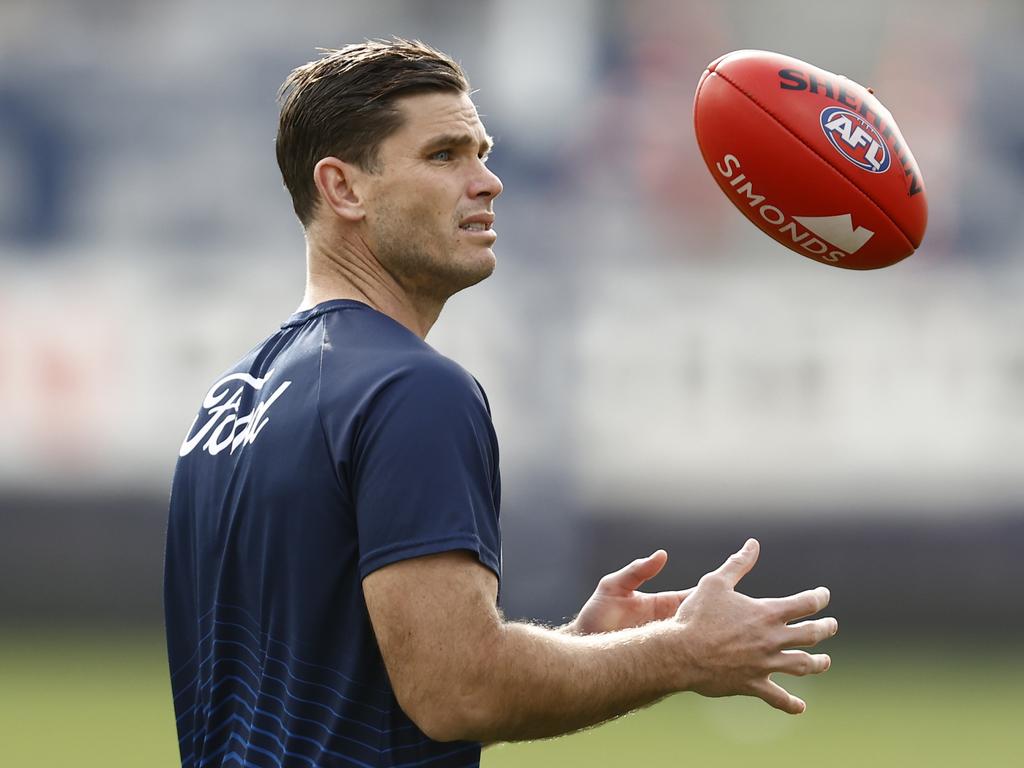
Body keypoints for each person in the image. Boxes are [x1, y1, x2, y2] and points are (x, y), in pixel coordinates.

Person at [164, 39, 837, 768]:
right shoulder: (411, 389)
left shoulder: (230, 404)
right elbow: (460, 692)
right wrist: (681, 652)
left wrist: (583, 649)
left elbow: (341, 683)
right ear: (344, 189)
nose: (488, 182)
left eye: (481, 152)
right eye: (445, 155)